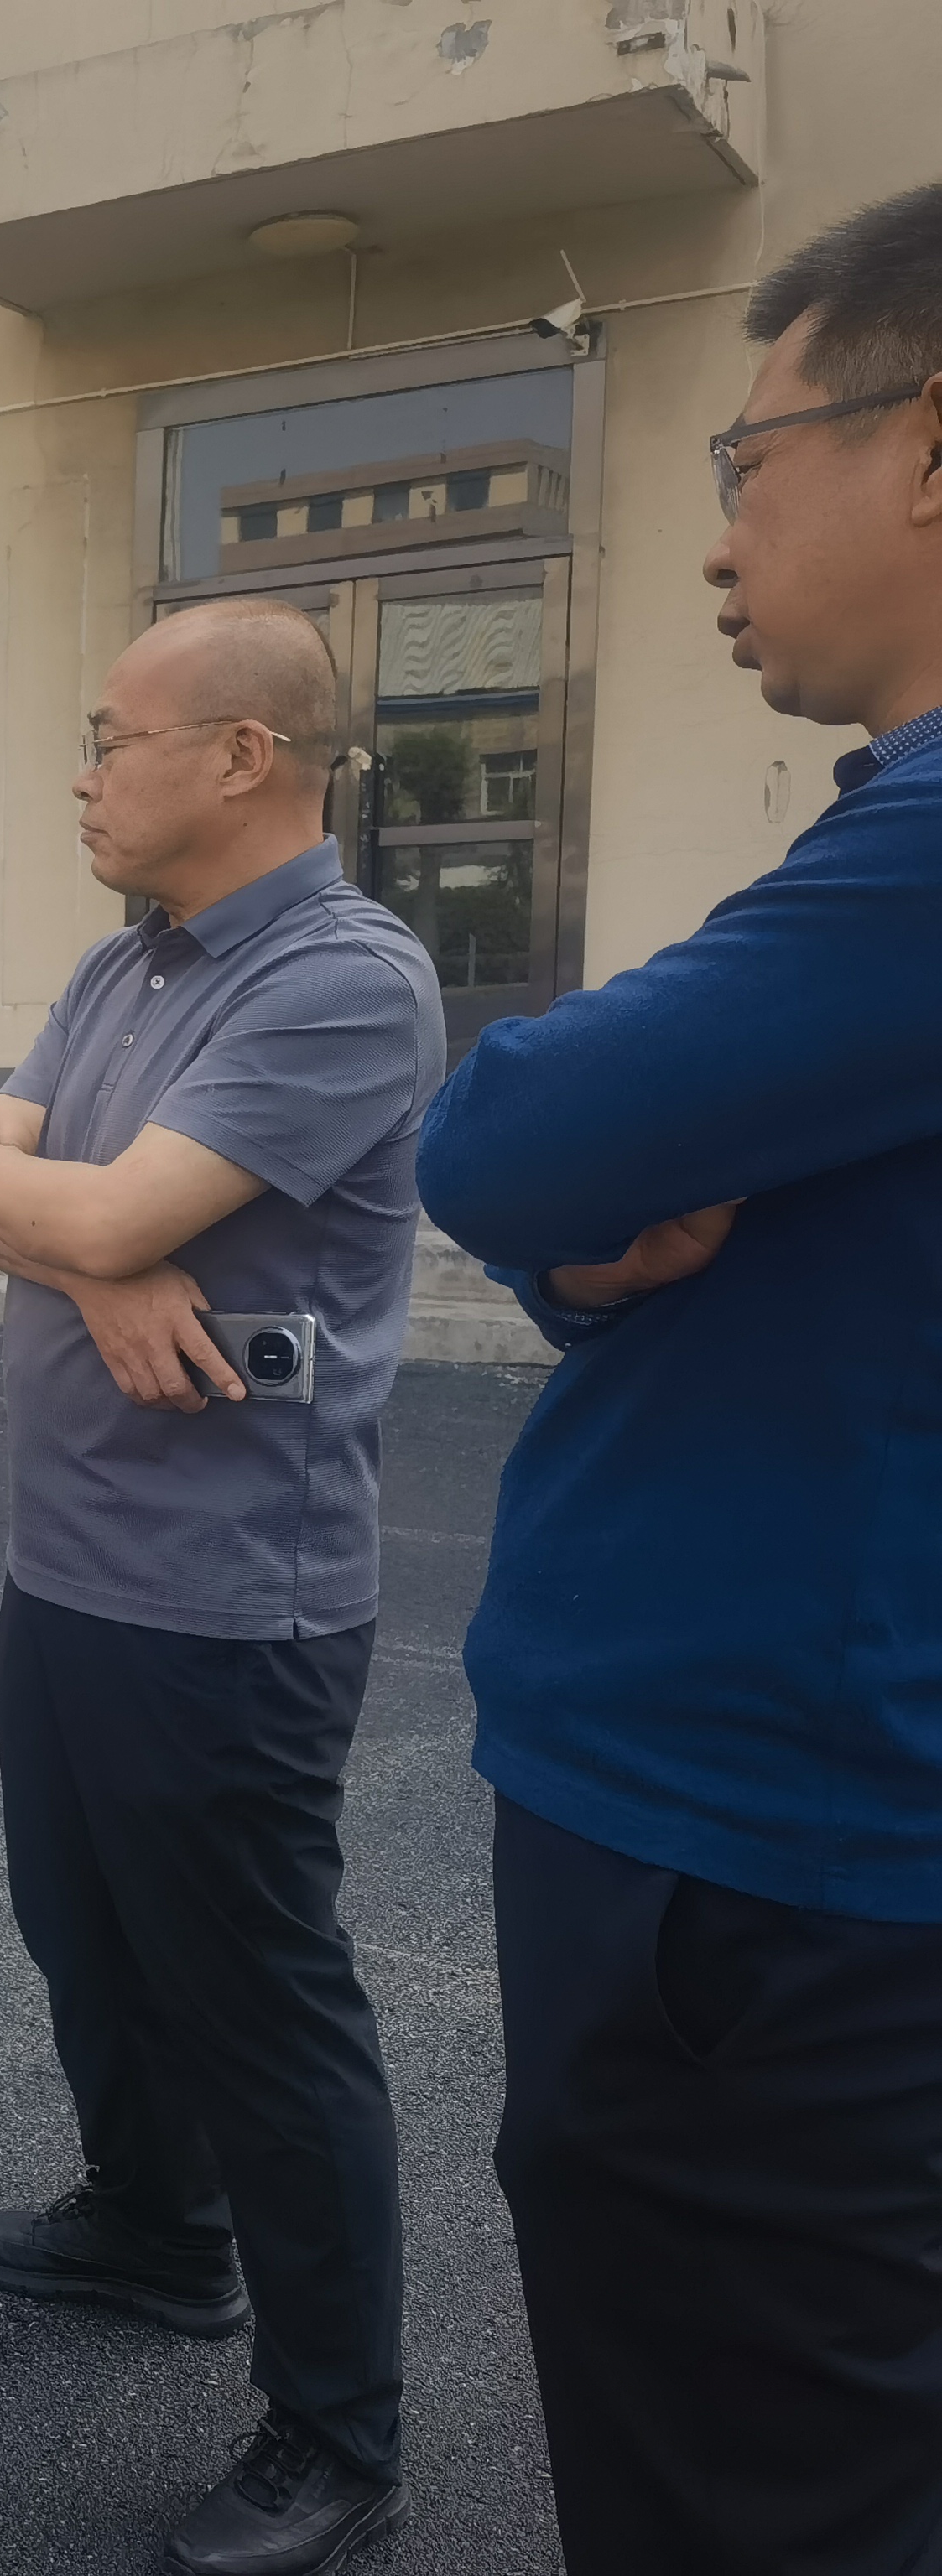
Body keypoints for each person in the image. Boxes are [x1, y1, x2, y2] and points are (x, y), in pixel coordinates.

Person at [416, 183, 942, 2573]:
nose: (718, 538)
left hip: (771, 1857)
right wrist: (591, 1256)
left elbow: (513, 1134)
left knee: (743, 2480)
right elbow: (621, 1220)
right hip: (796, 1818)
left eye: (748, 461)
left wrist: (568, 1210)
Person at [0, 600, 443, 2576]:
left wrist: (58, 1207)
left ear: (239, 756)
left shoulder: (342, 978)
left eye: (108, 737)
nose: (80, 775)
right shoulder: (118, 962)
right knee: (88, 1939)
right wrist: (73, 1238)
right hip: (65, 1571)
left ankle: (337, 2433)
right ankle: (153, 2230)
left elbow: (57, 1184)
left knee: (258, 2007)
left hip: (226, 1604)